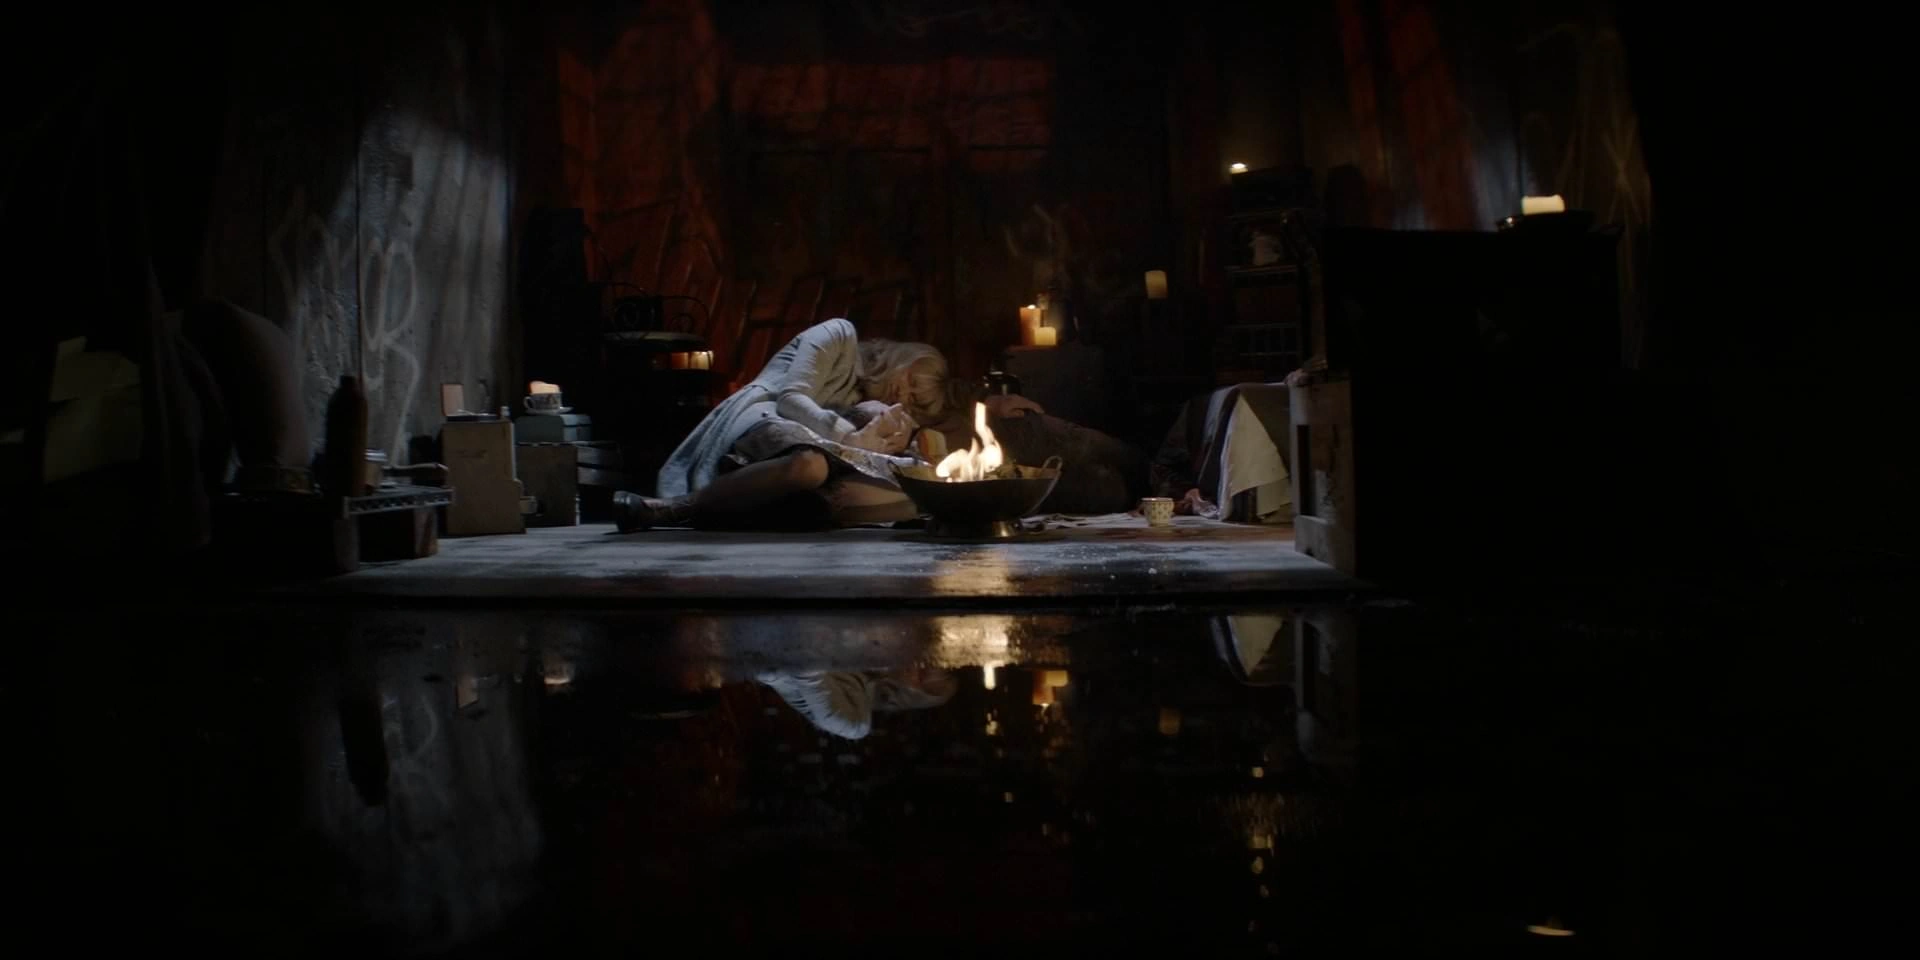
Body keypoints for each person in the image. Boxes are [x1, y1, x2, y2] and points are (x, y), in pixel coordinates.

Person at [616, 318, 949, 531]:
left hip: (820, 451)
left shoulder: (867, 405)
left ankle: (782, 510)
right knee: (810, 467)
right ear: (900, 359)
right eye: (910, 381)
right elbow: (791, 398)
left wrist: (892, 446)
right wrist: (852, 438)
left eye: (914, 401)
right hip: (767, 420)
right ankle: (677, 507)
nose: (903, 394)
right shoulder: (838, 334)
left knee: (908, 494)